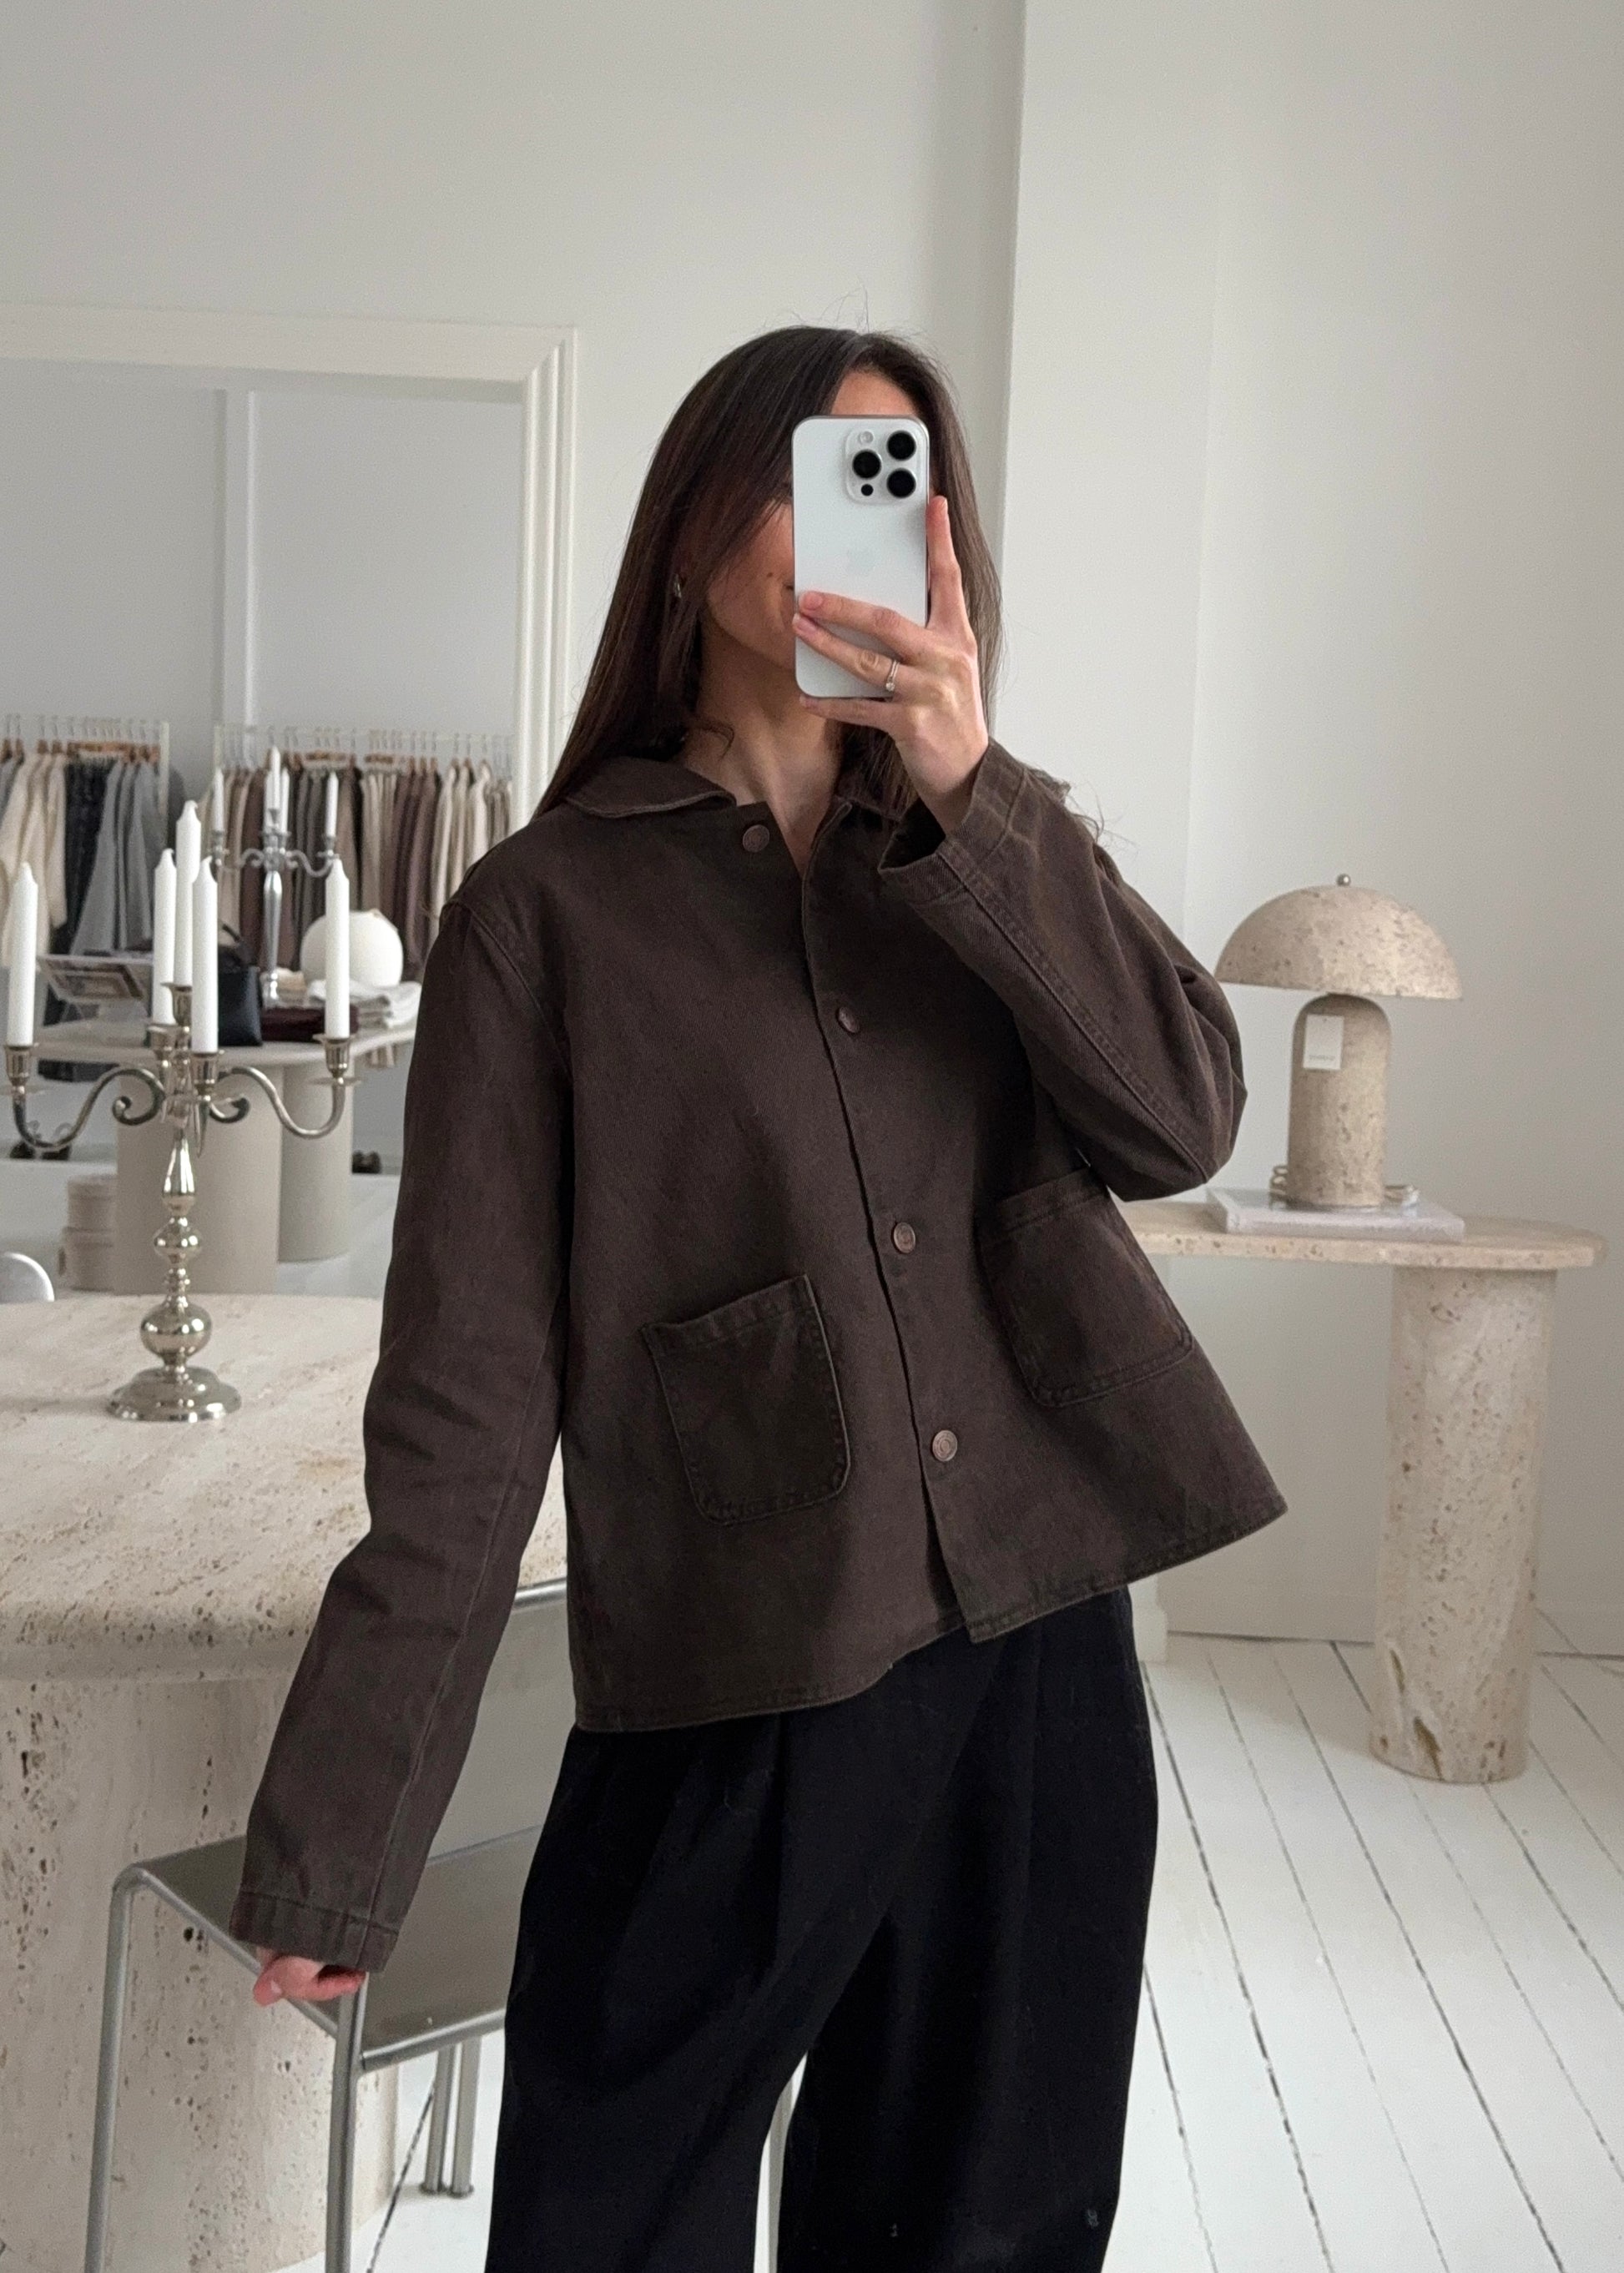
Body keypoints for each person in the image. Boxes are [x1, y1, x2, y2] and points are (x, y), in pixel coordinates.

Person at [230, 324, 1286, 2270]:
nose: (849, 525)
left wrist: (970, 780)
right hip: (738, 1654)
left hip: (1038, 1649)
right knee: (611, 2217)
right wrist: (343, 1841)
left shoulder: (989, 847)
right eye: (808, 476)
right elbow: (466, 1406)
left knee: (988, 2224)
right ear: (696, 521)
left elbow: (1182, 1120)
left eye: (891, 486)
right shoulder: (542, 916)